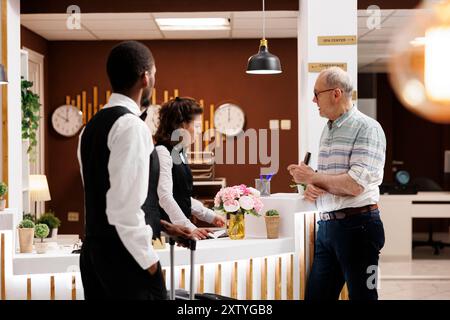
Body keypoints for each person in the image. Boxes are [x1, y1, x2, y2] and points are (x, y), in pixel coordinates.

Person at [78, 40, 190, 300]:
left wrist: (160, 226)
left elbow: (104, 197)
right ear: (145, 77)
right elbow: (123, 210)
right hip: (127, 260)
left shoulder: (90, 128)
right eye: (155, 74)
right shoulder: (131, 126)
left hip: (93, 257)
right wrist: (149, 262)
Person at [288, 67, 386, 300]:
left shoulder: (367, 128)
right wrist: (314, 186)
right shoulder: (328, 129)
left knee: (363, 296)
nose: (314, 100)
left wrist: (312, 176)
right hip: (327, 229)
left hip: (359, 227)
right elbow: (331, 179)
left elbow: (354, 185)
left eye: (316, 93)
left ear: (336, 93)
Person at [154, 97, 226, 239]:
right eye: (197, 126)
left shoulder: (179, 152)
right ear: (181, 125)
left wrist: (210, 216)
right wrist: (189, 228)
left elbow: (181, 196)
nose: (200, 131)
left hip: (179, 233)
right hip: (166, 235)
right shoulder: (163, 152)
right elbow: (165, 197)